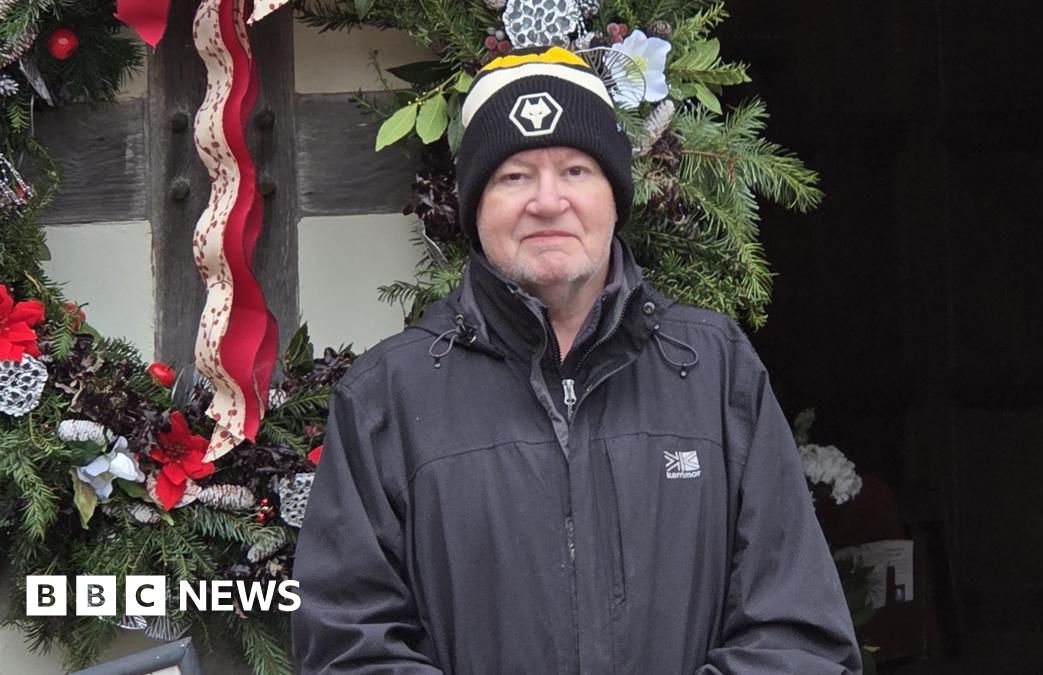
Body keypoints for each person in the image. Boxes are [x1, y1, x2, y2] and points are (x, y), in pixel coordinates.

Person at [291, 45, 862, 674]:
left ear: (616, 196)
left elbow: (800, 635)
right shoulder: (388, 396)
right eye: (514, 175)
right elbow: (347, 648)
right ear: (474, 205)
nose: (547, 200)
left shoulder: (716, 370)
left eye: (575, 170)